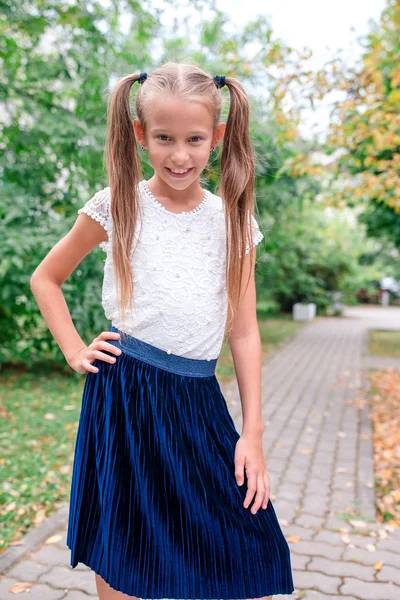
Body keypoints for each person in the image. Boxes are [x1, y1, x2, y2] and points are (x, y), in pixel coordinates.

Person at [30, 61, 294, 600]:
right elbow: (46, 278)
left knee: (249, 545)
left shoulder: (233, 222)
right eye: (164, 138)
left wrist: (254, 433)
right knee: (124, 546)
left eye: (195, 139)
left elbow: (243, 333)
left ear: (217, 137)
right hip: (124, 395)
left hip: (197, 399)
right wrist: (75, 349)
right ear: (139, 135)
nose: (180, 155)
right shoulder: (118, 205)